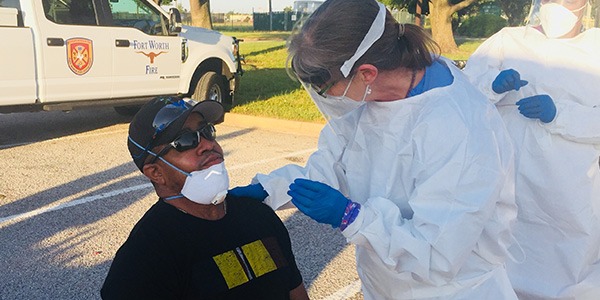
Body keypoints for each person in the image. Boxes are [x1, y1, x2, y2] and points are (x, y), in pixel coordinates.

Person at [229, 0, 518, 298]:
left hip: (451, 291)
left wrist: (351, 217)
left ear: (366, 73)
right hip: (386, 286)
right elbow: (337, 162)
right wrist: (271, 189)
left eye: (326, 87)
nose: (325, 97)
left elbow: (437, 254)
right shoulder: (374, 96)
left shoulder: (459, 128)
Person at [101, 96, 309, 300]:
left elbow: (294, 290)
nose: (208, 145)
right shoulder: (145, 257)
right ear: (156, 173)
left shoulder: (259, 216)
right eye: (185, 140)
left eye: (207, 131)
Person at [463, 0, 600, 298]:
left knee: (568, 255)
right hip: (509, 175)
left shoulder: (596, 48)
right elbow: (462, 98)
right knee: (505, 243)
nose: (559, 4)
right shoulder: (507, 41)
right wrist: (492, 86)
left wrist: (561, 115)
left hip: (570, 185)